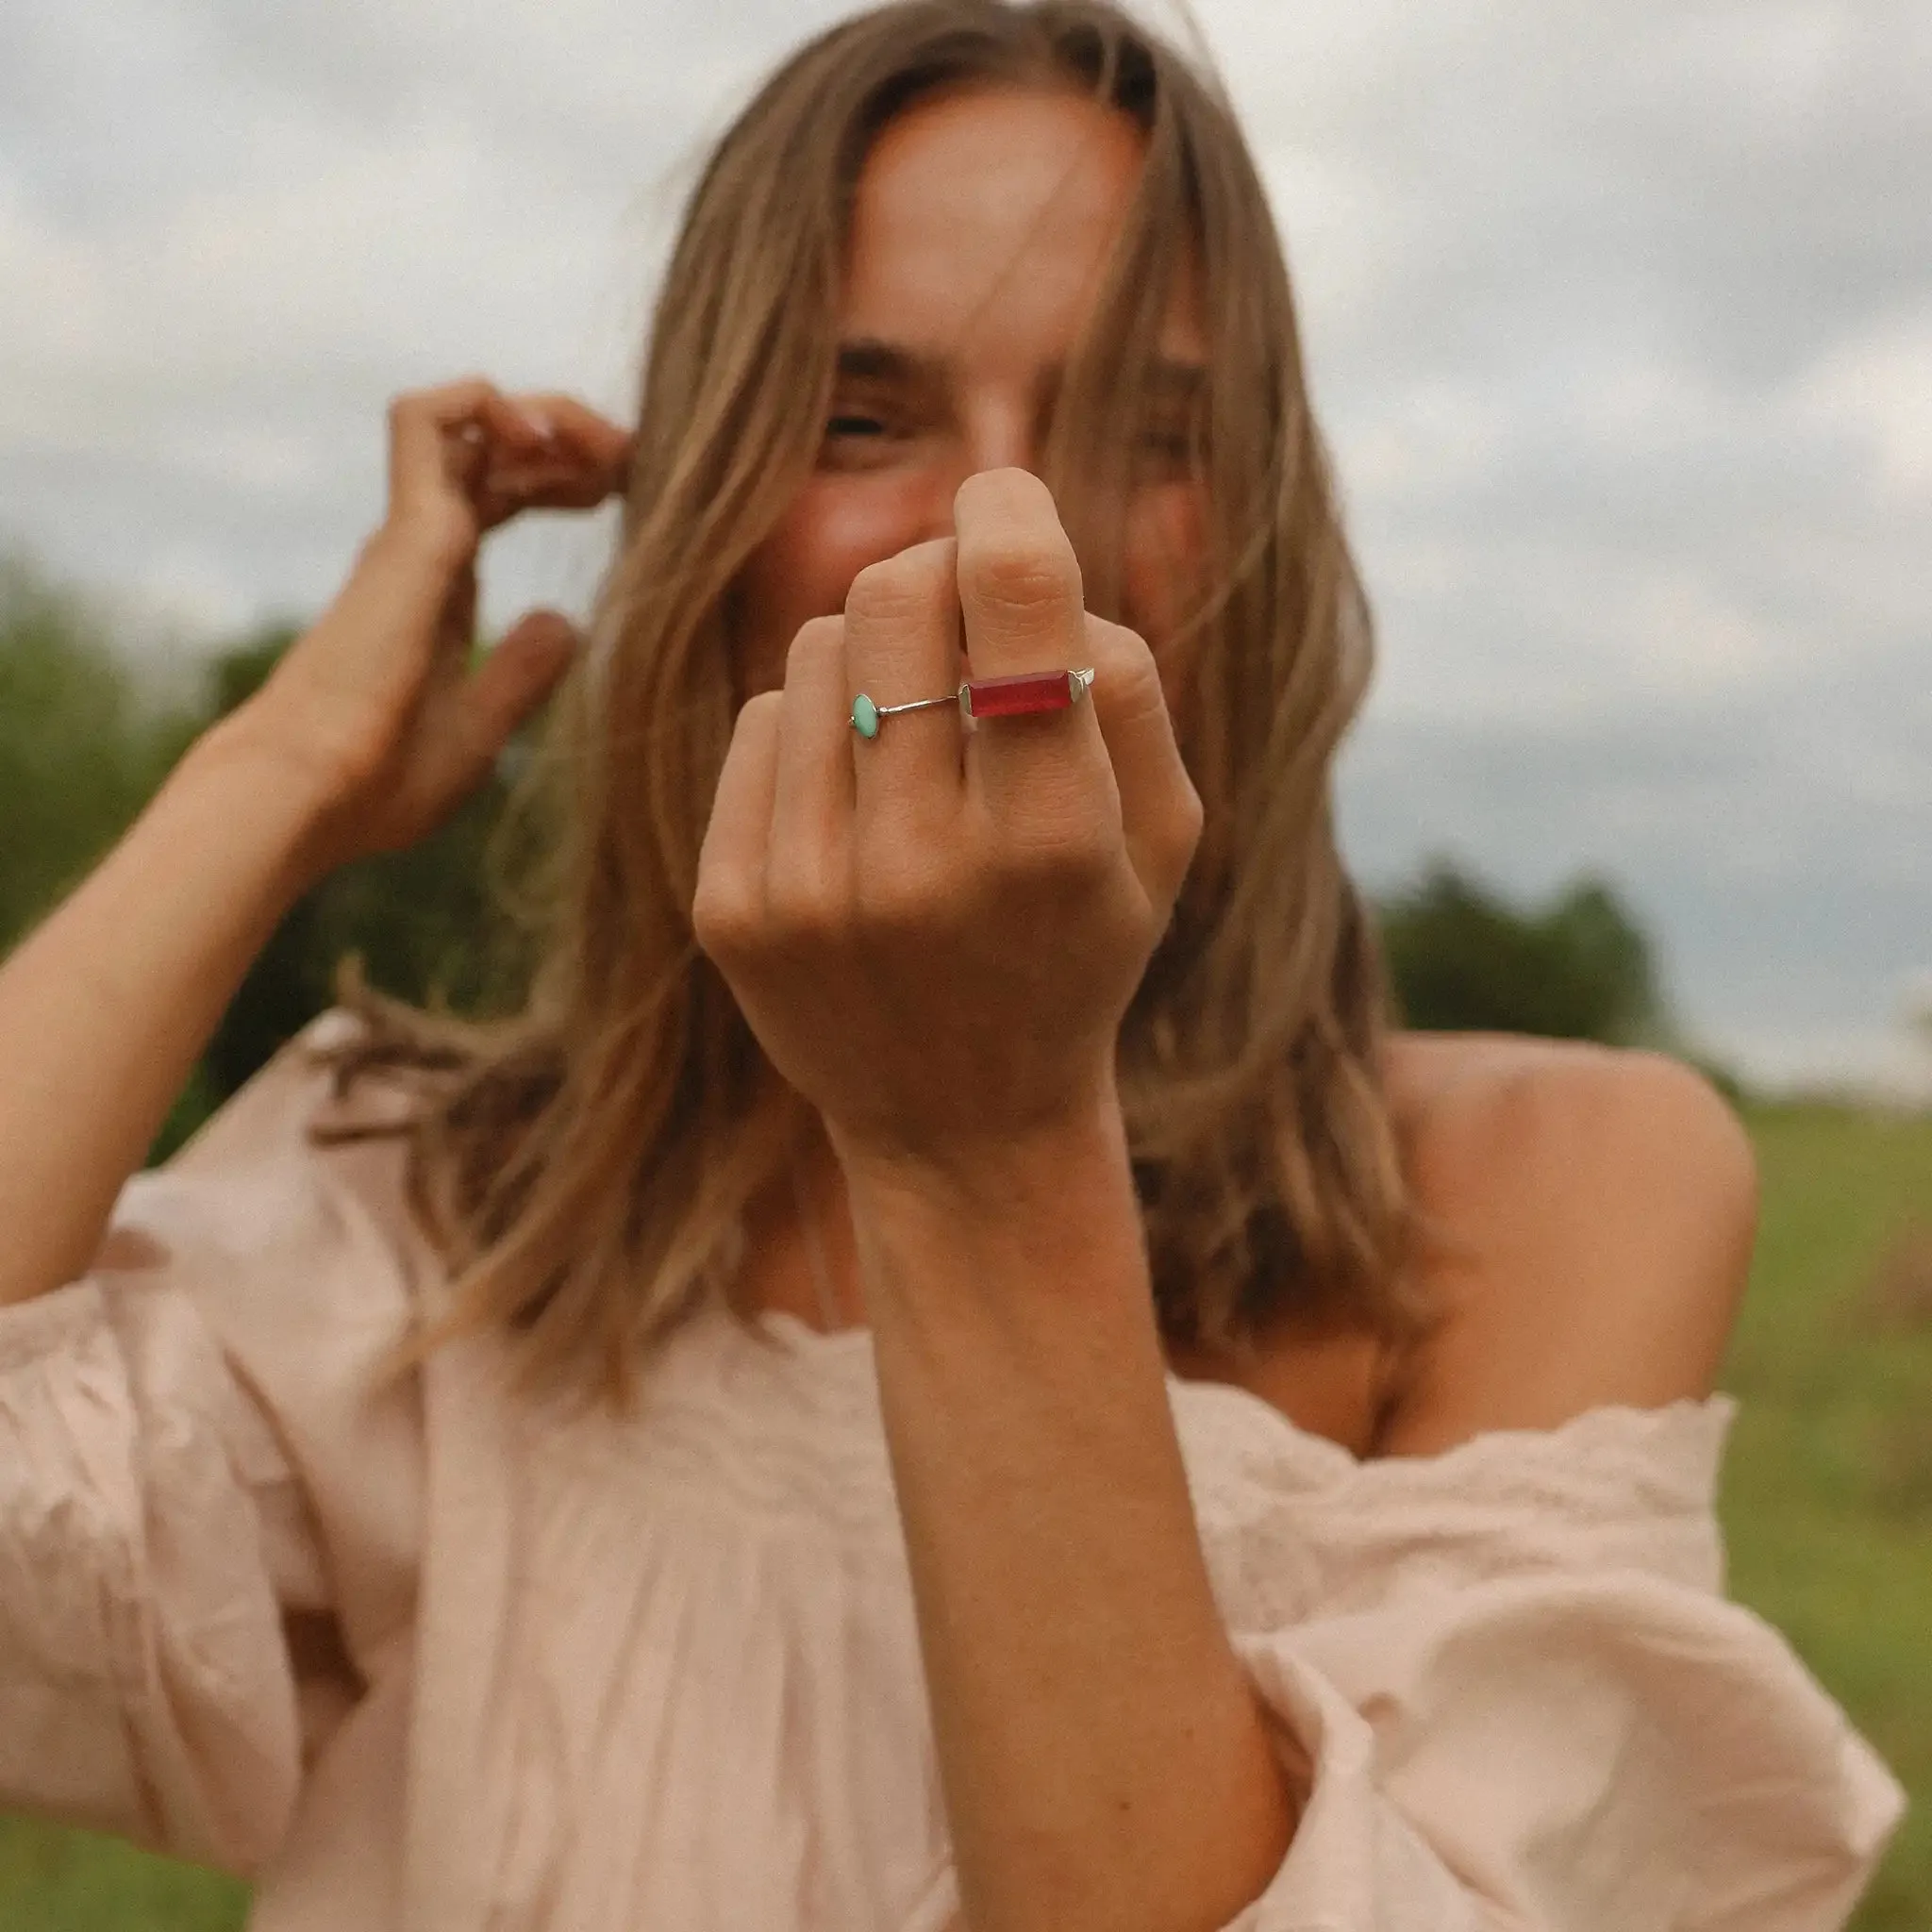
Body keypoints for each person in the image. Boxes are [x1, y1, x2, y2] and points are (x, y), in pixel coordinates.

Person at [0, 2, 1905, 1928]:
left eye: (1143, 434)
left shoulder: (1542, 1194)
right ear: (702, 524)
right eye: (862, 418)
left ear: (1264, 528)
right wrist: (271, 772)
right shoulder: (425, 1202)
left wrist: (989, 1148)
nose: (1015, 536)